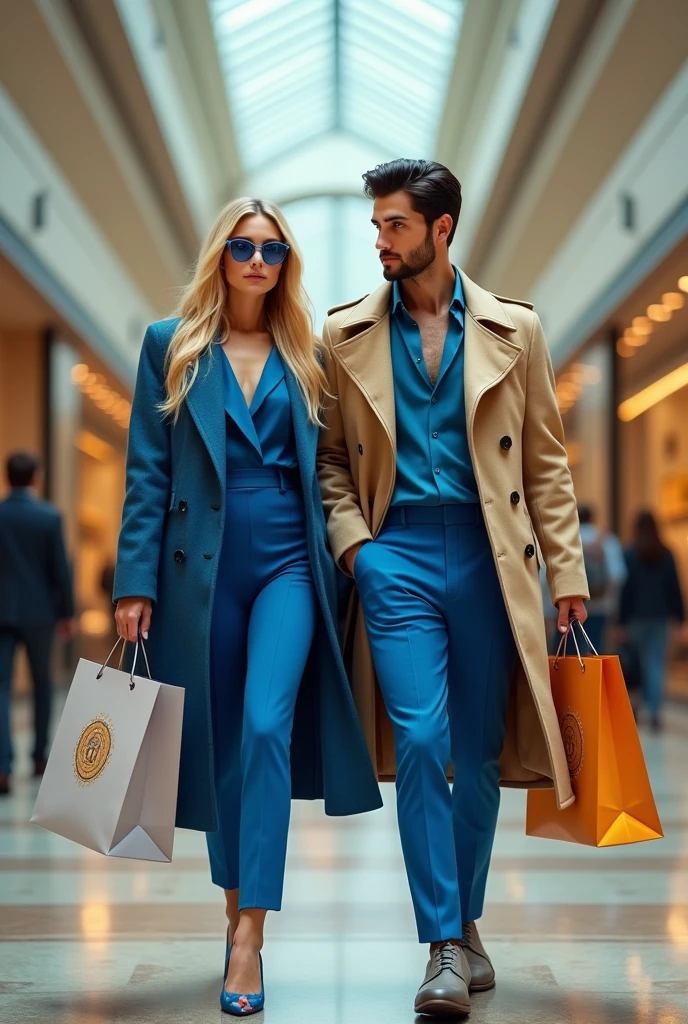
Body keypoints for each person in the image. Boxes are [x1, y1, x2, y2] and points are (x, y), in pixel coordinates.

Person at [316, 159, 589, 1018]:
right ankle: (441, 939)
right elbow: (329, 464)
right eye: (376, 224)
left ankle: (467, 926)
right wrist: (359, 550)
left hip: (489, 559)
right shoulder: (345, 335)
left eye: (394, 224)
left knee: (475, 759)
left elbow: (544, 461)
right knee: (422, 743)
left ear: (441, 229)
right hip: (395, 559)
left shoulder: (516, 329)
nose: (379, 239)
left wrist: (569, 573)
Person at [112, 197, 381, 1017]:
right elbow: (148, 473)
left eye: (271, 249)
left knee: (267, 726)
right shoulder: (172, 346)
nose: (257, 261)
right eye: (242, 247)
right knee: (224, 742)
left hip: (290, 566)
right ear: (220, 256)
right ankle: (236, 906)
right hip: (200, 570)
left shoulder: (312, 352)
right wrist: (134, 581)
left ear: (285, 262)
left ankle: (249, 934)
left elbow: (338, 459)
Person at [0, 452, 76, 796]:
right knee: (42, 684)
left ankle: (2, 766)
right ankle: (39, 757)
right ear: (36, 477)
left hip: (2, 613)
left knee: (1, 689)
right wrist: (67, 613)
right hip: (40, 613)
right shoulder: (48, 517)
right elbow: (60, 569)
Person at [619, 510, 685, 731]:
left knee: (635, 664)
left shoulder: (629, 554)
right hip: (661, 617)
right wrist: (681, 618)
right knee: (656, 663)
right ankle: (655, 713)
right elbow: (674, 588)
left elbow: (625, 591)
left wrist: (621, 621)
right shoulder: (666, 554)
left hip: (636, 617)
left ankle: (636, 707)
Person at [575, 505, 626, 654]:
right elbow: (618, 575)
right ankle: (593, 676)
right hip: (600, 605)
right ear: (592, 518)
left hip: (571, 605)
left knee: (573, 651)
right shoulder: (606, 540)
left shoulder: (567, 539)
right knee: (595, 649)